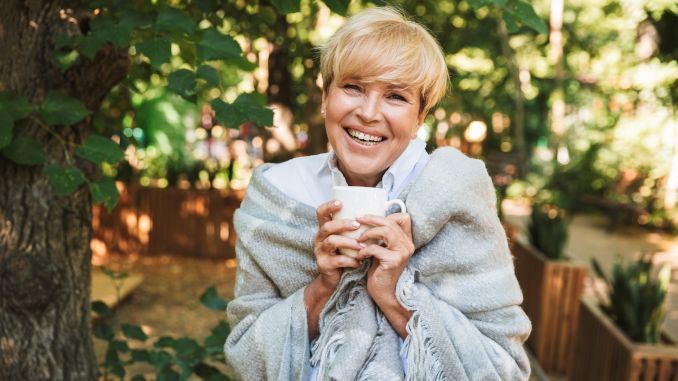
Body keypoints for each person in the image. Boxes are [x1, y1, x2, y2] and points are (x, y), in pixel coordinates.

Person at [224, 6, 531, 381]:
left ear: (421, 115)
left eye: (396, 97)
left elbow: (503, 369)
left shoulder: (455, 192)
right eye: (352, 87)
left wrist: (394, 293)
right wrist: (323, 288)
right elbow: (244, 355)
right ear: (325, 96)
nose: (369, 113)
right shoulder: (276, 192)